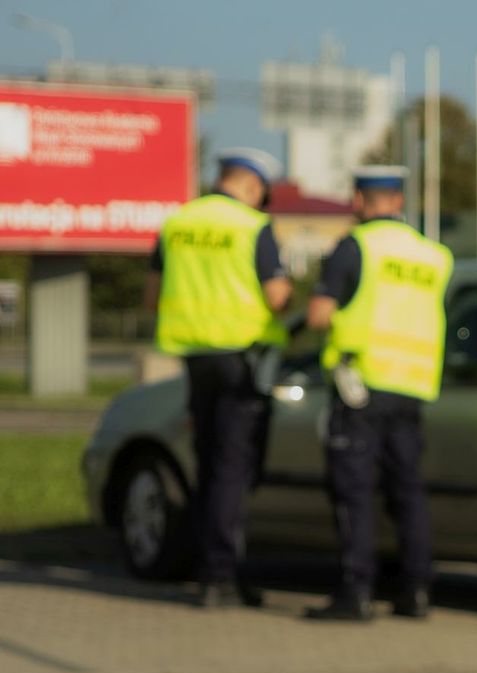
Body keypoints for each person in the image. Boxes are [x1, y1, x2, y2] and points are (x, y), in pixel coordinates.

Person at [305, 165, 454, 621]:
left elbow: (317, 315)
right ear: (400, 201)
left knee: (354, 491)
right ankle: (416, 591)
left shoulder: (356, 247)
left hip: (362, 388)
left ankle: (356, 592)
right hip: (412, 387)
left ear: (358, 201)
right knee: (407, 491)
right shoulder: (435, 256)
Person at [145, 148, 292, 608]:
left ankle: (215, 566)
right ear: (254, 187)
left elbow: (151, 298)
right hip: (241, 361)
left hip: (193, 359)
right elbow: (277, 297)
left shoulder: (178, 223)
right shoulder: (253, 228)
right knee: (233, 471)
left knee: (209, 466)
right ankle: (220, 576)